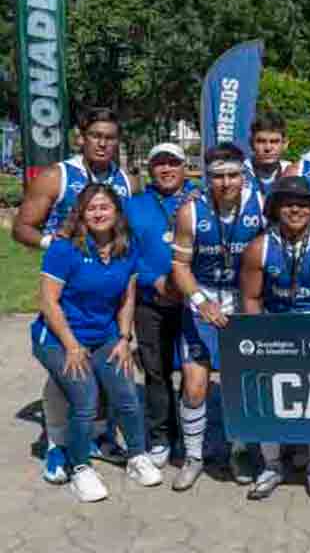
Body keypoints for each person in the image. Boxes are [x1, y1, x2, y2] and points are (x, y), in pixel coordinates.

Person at [14, 107, 136, 482]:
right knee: (66, 369)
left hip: (107, 288)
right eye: (96, 135)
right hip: (67, 289)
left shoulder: (125, 179)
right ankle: (57, 444)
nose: (103, 143)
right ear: (81, 138)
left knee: (101, 367)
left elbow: (125, 230)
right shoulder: (57, 176)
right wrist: (56, 245)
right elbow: (21, 228)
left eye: (110, 137)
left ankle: (98, 436)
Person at [31, 184, 162, 502]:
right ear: (81, 214)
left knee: (126, 393)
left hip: (104, 334)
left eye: (105, 207)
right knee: (86, 399)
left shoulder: (126, 248)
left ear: (116, 212)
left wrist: (123, 338)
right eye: (91, 208)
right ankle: (80, 469)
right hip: (58, 337)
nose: (99, 213)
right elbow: (48, 302)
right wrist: (73, 346)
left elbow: (127, 298)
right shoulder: (65, 249)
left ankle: (136, 456)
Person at [240, 176, 310, 500]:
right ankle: (271, 465)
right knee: (268, 396)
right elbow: (250, 298)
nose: (295, 209)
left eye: (302, 204)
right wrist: (259, 338)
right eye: (288, 203)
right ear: (275, 208)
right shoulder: (258, 247)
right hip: (275, 329)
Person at [169, 143, 266, 491]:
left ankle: (239, 450)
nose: (226, 182)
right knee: (195, 387)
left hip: (244, 300)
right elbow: (179, 267)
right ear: (207, 178)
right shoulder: (190, 212)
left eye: (232, 175)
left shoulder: (261, 204)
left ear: (244, 175)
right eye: (218, 176)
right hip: (204, 298)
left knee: (238, 383)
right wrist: (199, 301)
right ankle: (194, 457)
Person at [124, 143, 198, 468]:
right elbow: (125, 251)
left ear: (185, 167)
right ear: (150, 169)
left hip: (191, 300)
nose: (166, 169)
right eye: (159, 164)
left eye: (173, 163)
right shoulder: (133, 205)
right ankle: (162, 438)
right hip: (150, 300)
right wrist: (152, 279)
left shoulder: (200, 200)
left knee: (196, 372)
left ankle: (194, 439)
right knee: (157, 372)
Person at [244, 111, 293, 197]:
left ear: (285, 144)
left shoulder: (292, 172)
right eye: (261, 141)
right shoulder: (241, 172)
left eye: (274, 142)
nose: (268, 148)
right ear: (251, 144)